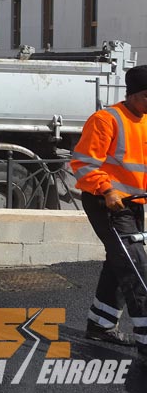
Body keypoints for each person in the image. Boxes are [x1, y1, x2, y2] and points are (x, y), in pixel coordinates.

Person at [71, 64, 147, 355]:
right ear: (131, 94)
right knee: (137, 269)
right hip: (107, 202)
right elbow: (84, 164)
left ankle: (101, 325)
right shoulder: (106, 120)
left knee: (121, 263)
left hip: (135, 202)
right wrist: (107, 189)